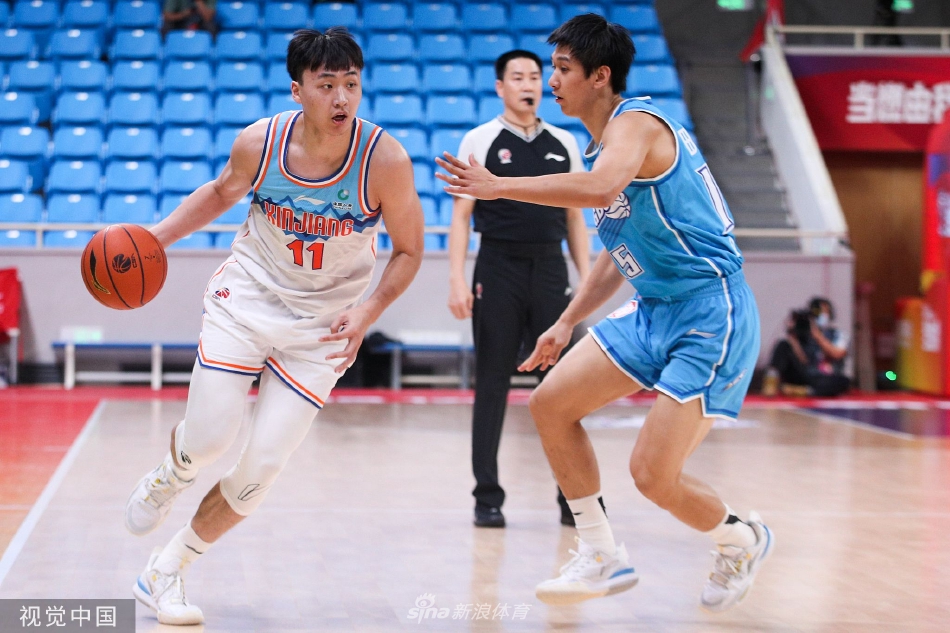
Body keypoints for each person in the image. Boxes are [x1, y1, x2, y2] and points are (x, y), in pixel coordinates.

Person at [436, 14, 773, 612]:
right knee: (550, 404)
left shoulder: (636, 124)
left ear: (600, 76)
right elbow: (618, 256)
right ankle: (599, 552)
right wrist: (567, 320)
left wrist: (500, 186)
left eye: (563, 69)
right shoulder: (602, 146)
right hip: (654, 309)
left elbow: (596, 189)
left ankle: (742, 539)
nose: (551, 81)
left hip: (710, 311)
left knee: (653, 476)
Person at [124, 28, 423, 625]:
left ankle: (166, 569)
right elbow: (220, 194)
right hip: (249, 299)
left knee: (261, 468)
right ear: (297, 90)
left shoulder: (384, 160)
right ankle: (173, 472)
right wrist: (153, 239)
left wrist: (368, 313)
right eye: (327, 85)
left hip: (323, 325)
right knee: (210, 438)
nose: (342, 98)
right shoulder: (261, 143)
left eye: (352, 84)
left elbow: (410, 251)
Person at [447, 49, 591, 529]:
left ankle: (572, 498)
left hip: (550, 269)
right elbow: (461, 217)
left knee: (561, 388)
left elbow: (575, 216)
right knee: (492, 383)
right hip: (498, 267)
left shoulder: (564, 142)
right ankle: (486, 498)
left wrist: (585, 278)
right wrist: (456, 278)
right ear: (500, 87)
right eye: (518, 77)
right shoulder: (480, 139)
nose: (528, 84)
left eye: (534, 76)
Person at [766, 297, 849, 397]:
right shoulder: (804, 334)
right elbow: (803, 361)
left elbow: (837, 354)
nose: (821, 315)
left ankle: (807, 391)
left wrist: (817, 336)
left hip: (824, 377)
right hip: (806, 373)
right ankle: (770, 383)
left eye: (824, 312)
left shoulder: (838, 334)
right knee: (783, 345)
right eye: (817, 312)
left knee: (843, 381)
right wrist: (793, 337)